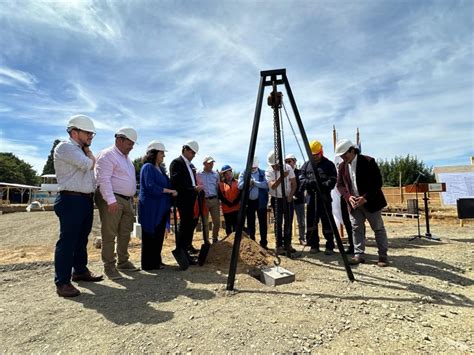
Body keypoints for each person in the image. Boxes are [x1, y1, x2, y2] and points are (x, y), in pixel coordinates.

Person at [53, 115, 103, 297]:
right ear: (75, 132)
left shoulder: (80, 150)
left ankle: (80, 271)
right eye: (88, 132)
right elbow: (87, 164)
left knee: (81, 239)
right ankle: (62, 282)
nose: (91, 136)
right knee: (67, 241)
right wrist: (90, 153)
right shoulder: (65, 147)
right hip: (71, 199)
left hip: (84, 199)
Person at [335, 139, 389, 266]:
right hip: (354, 205)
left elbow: (377, 183)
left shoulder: (368, 161)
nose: (343, 157)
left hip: (371, 202)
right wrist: (348, 197)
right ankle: (358, 254)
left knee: (378, 228)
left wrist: (365, 198)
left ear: (352, 150)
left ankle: (383, 256)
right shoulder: (342, 166)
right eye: (341, 156)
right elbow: (340, 185)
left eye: (345, 154)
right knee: (356, 229)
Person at [95, 127, 139, 280]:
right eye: (129, 143)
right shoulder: (108, 155)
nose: (132, 146)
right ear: (119, 140)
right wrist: (110, 200)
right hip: (113, 199)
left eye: (133, 144)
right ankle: (109, 266)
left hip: (126, 200)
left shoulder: (127, 160)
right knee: (109, 233)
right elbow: (103, 179)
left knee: (125, 233)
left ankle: (123, 261)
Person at [138, 141, 177, 271]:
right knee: (150, 234)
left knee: (158, 235)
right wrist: (168, 191)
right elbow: (150, 186)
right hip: (150, 208)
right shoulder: (148, 167)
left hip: (161, 207)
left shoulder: (160, 169)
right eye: (161, 153)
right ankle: (149, 264)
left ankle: (156, 260)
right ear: (153, 153)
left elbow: (167, 184)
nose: (163, 156)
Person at [300, 140, 337, 255]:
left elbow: (333, 180)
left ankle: (330, 245)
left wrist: (322, 185)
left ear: (321, 152)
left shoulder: (329, 165)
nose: (315, 157)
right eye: (313, 155)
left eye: (316, 155)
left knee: (327, 222)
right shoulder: (306, 165)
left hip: (324, 198)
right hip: (311, 198)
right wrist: (309, 183)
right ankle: (314, 245)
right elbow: (301, 179)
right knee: (311, 222)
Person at [170, 140, 202, 264]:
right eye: (192, 152)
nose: (193, 155)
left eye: (194, 153)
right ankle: (182, 251)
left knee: (189, 227)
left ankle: (186, 251)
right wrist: (192, 188)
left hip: (191, 200)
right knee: (184, 227)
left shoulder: (189, 165)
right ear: (185, 150)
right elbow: (176, 182)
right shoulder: (177, 163)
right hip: (183, 200)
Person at [266, 151, 297, 255]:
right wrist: (282, 177)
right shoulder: (268, 172)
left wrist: (291, 195)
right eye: (273, 165)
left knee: (288, 222)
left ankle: (287, 244)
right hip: (276, 199)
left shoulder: (288, 168)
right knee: (278, 223)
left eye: (276, 165)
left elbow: (294, 183)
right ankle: (279, 245)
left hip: (288, 198)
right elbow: (273, 186)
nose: (274, 167)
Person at [237, 157, 269, 249]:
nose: (253, 170)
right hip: (249, 202)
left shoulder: (263, 172)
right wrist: (247, 183)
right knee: (251, 223)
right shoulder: (244, 172)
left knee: (263, 223)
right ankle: (252, 241)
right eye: (251, 168)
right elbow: (239, 186)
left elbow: (266, 185)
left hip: (261, 201)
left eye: (254, 168)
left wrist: (255, 183)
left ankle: (263, 243)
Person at [197, 156, 220, 243]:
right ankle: (206, 241)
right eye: (209, 163)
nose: (211, 165)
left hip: (214, 200)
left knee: (217, 221)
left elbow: (218, 187)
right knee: (205, 223)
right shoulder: (198, 174)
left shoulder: (216, 174)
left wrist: (219, 199)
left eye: (212, 163)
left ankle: (215, 238)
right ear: (204, 163)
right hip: (204, 201)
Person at [285, 154, 306, 245]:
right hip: (288, 200)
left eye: (289, 161)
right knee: (287, 221)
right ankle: (287, 240)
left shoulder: (300, 172)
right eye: (286, 161)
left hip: (299, 199)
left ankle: (302, 238)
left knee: (301, 220)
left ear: (294, 161)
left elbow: (302, 185)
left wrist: (295, 194)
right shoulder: (284, 173)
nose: (288, 163)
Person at [218, 165, 241, 235]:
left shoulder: (237, 182)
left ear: (232, 173)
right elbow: (221, 196)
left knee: (236, 226)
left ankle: (236, 243)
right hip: (227, 209)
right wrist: (228, 203)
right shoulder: (221, 184)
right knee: (228, 227)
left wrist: (235, 202)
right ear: (224, 175)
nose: (229, 175)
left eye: (230, 173)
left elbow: (240, 194)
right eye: (226, 174)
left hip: (236, 208)